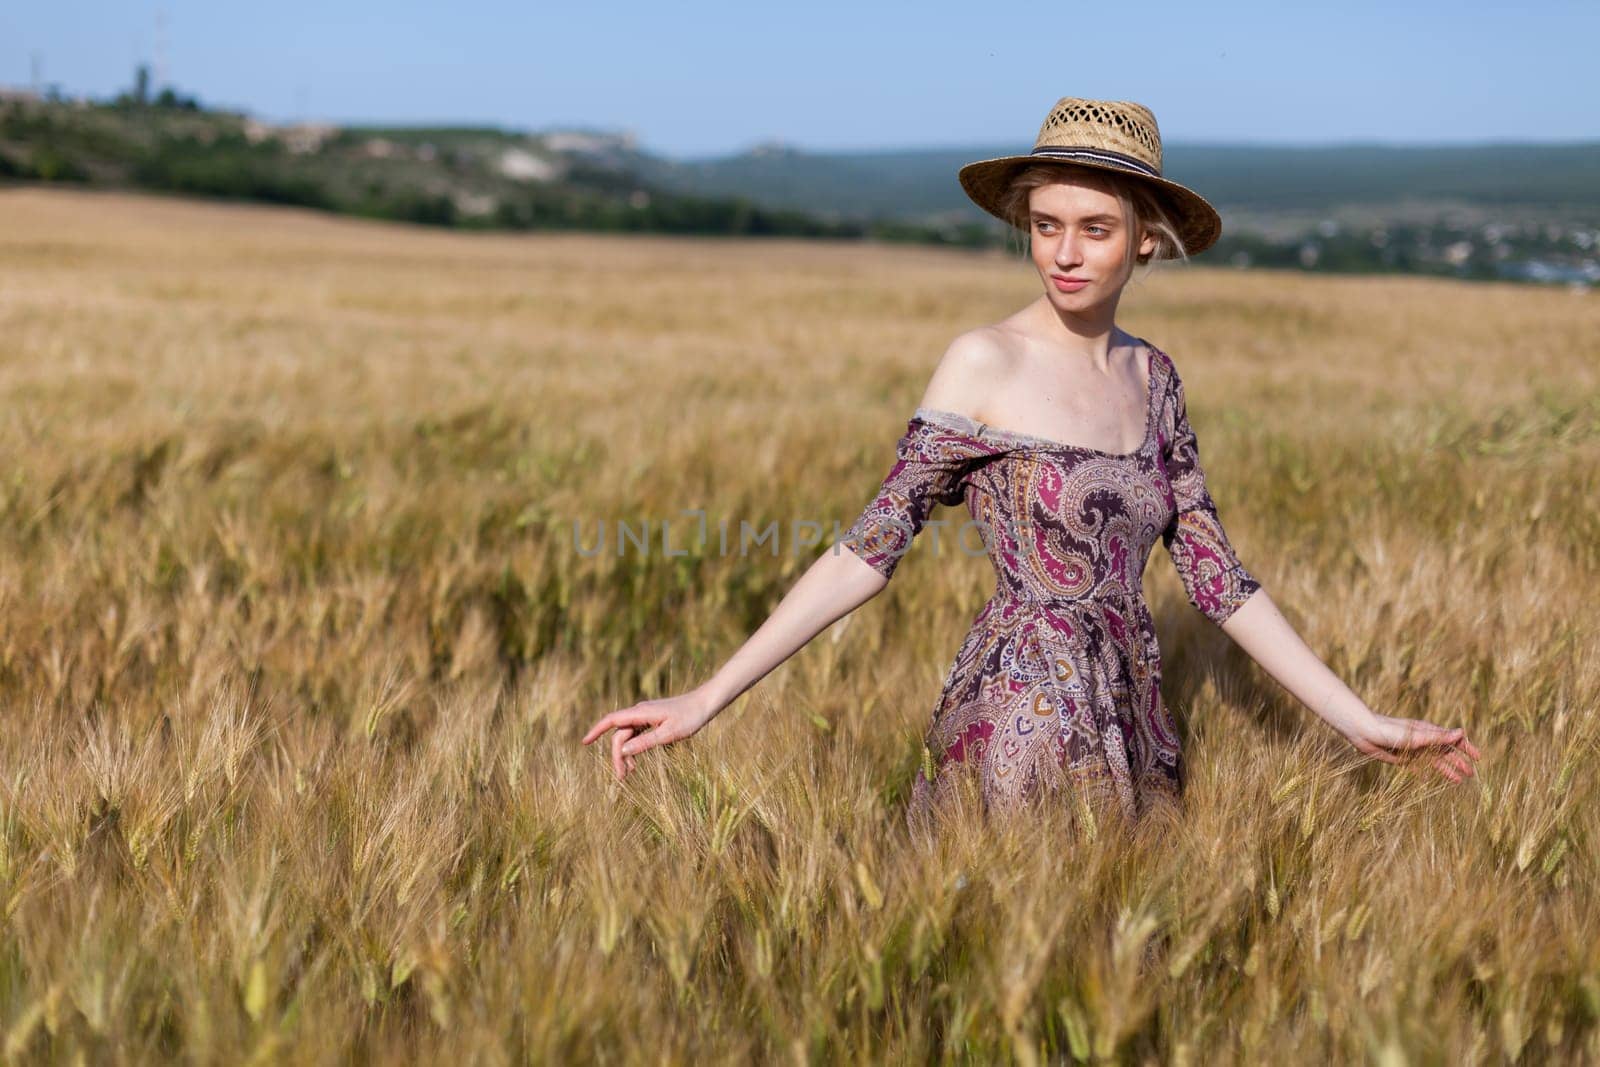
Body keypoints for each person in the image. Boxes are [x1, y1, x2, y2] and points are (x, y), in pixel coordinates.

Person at [581, 96, 1481, 827]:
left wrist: (1360, 718)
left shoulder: (1155, 378)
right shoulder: (983, 362)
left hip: (1139, 719)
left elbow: (1219, 579)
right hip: (1015, 713)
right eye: (1046, 225)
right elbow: (866, 550)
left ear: (1146, 239)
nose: (1065, 252)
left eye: (1094, 227)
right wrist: (707, 696)